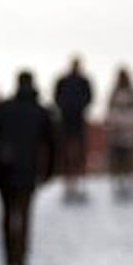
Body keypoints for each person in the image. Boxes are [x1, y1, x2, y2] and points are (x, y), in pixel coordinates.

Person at [0, 70, 57, 265]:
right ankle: (21, 258)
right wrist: (49, 172)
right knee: (24, 215)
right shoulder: (40, 111)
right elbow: (51, 145)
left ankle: (9, 258)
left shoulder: (3, 109)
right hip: (28, 171)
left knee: (6, 215)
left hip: (4, 171)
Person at [53, 57, 94, 199]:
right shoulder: (64, 81)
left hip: (77, 119)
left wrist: (79, 108)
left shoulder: (83, 81)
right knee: (67, 152)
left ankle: (77, 183)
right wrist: (65, 108)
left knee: (78, 152)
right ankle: (69, 184)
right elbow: (56, 97)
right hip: (66, 120)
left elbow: (89, 97)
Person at [105, 68, 133, 196]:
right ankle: (119, 181)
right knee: (118, 157)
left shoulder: (132, 93)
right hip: (116, 129)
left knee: (128, 156)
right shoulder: (114, 93)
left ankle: (129, 181)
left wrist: (132, 123)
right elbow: (109, 109)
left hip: (128, 129)